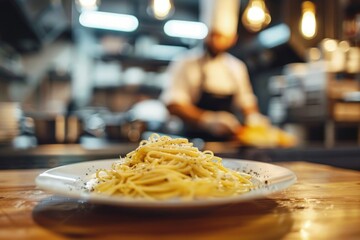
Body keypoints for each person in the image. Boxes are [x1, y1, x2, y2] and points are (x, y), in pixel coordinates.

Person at [160, 0, 268, 141]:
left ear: (233, 39)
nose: (217, 41)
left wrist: (254, 118)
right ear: (207, 34)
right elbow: (173, 104)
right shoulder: (185, 62)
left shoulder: (237, 67)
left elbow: (247, 102)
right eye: (214, 35)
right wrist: (207, 119)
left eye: (223, 37)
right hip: (190, 142)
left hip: (226, 142)